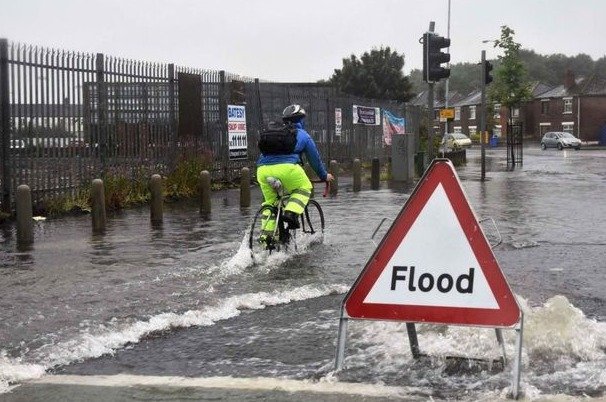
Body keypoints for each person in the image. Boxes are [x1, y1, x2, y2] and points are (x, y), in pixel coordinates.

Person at [256, 104, 334, 245]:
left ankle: (267, 238)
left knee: (270, 202)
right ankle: (291, 213)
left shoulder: (274, 133)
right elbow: (314, 159)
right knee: (304, 187)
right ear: (301, 120)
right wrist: (323, 176)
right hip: (288, 169)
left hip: (262, 170)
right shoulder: (303, 135)